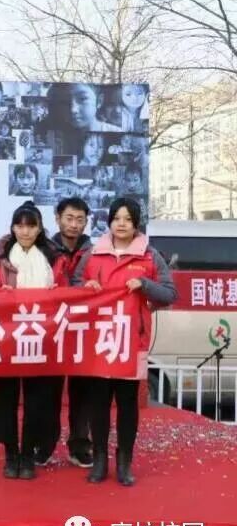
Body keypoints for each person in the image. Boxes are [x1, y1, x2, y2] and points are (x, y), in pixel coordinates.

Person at [74, 198, 177, 486]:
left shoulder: (149, 256)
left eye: (128, 219)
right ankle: (99, 460)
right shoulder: (93, 254)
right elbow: (73, 287)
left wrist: (145, 285)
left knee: (128, 405)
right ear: (109, 221)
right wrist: (86, 286)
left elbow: (170, 294)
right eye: (117, 218)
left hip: (132, 342)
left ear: (136, 224)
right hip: (98, 342)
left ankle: (124, 462)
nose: (121, 224)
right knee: (98, 404)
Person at [0, 202, 68, 480]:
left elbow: (67, 292)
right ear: (12, 227)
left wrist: (59, 292)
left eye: (31, 226)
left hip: (40, 338)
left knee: (37, 400)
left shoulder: (54, 258)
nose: (25, 231)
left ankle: (28, 454)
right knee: (6, 398)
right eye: (20, 225)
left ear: (39, 228)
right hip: (8, 338)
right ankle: (10, 453)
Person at [49, 198, 94, 468]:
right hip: (50, 329)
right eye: (69, 218)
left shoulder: (96, 252)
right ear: (58, 218)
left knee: (83, 392)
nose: (74, 224)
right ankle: (45, 444)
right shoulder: (44, 249)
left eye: (80, 220)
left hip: (82, 330)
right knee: (48, 391)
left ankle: (80, 446)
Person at [46, 83, 122, 132]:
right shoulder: (57, 136)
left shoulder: (115, 132)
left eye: (82, 99)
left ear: (99, 101)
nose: (73, 110)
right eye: (65, 102)